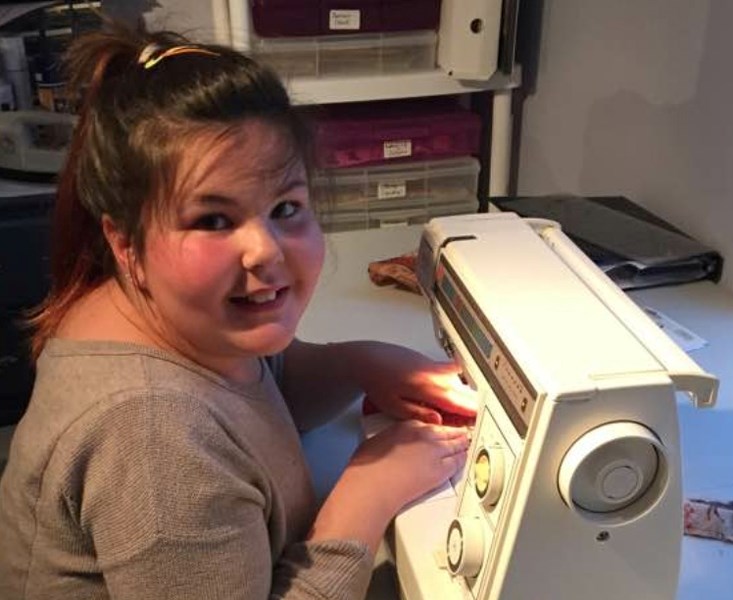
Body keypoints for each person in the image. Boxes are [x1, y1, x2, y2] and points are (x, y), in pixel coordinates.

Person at [0, 22, 476, 600]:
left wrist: (363, 364)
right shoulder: (152, 434)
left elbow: (253, 394)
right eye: (213, 220)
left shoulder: (171, 321)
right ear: (126, 244)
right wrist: (366, 497)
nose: (266, 250)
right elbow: (202, 429)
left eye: (286, 206)